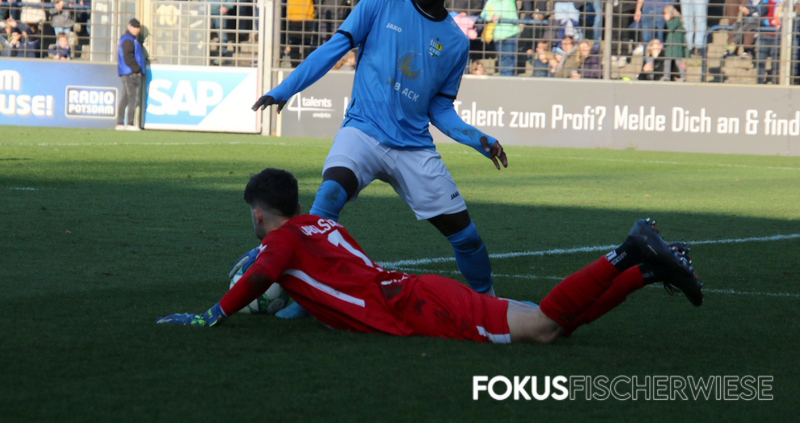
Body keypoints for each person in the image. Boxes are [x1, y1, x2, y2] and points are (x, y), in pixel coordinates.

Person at [249, 0, 508, 317]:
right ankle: (308, 300)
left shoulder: (455, 41)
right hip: (363, 131)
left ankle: (489, 302)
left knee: (467, 238)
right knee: (328, 199)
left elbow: (439, 107)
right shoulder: (381, 2)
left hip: (413, 147)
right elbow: (333, 49)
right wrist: (285, 89)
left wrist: (477, 138)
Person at [156, 168, 703, 343]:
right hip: (413, 293)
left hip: (417, 307)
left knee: (542, 326)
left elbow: (263, 275)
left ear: (258, 215)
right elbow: (331, 279)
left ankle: (627, 250)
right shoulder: (320, 225)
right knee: (556, 328)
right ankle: (647, 268)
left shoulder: (277, 243)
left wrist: (212, 315)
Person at [116, 18, 145, 131]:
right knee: (133, 98)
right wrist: (137, 69)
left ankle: (120, 123)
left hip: (126, 72)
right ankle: (130, 123)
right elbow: (128, 57)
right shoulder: (129, 40)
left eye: (138, 27)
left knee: (125, 98)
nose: (137, 29)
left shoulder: (127, 39)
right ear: (129, 26)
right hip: (131, 73)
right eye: (135, 27)